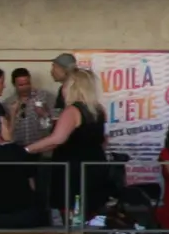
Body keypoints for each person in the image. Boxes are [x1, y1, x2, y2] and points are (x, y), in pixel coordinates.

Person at [23, 67, 107, 221]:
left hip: (73, 168)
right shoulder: (98, 109)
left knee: (73, 214)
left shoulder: (72, 111)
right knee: (91, 213)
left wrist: (27, 149)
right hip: (95, 165)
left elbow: (57, 139)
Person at [8, 67, 56, 147]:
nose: (25, 87)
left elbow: (56, 122)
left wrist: (44, 114)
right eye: (21, 85)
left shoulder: (44, 96)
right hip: (17, 148)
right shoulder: (9, 102)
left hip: (41, 146)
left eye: (27, 83)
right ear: (14, 84)